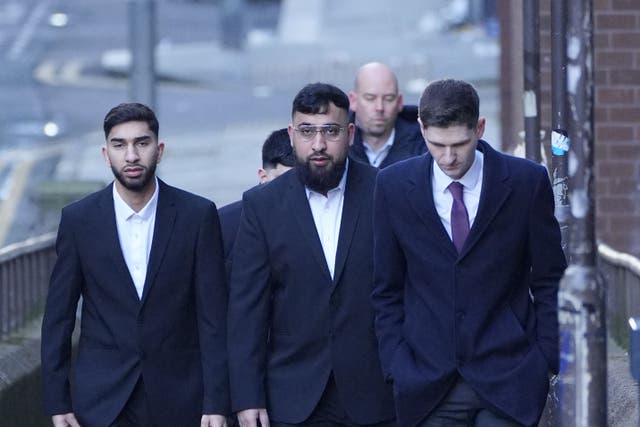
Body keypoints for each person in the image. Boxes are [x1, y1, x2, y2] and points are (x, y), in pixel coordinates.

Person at [371, 79, 566, 427]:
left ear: (480, 127)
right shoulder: (392, 186)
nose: (448, 157)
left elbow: (551, 278)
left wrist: (545, 358)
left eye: (460, 144)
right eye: (436, 144)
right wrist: (397, 365)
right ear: (421, 129)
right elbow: (386, 287)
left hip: (510, 379)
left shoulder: (526, 182)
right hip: (426, 383)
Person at [41, 103, 229, 427]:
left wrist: (217, 403)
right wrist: (58, 403)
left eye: (142, 143)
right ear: (105, 154)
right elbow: (58, 319)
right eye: (119, 145)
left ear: (159, 149)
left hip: (181, 400)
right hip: (103, 403)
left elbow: (213, 319)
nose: (131, 155)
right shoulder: (79, 220)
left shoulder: (197, 216)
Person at [228, 83, 395, 427]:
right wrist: (247, 397)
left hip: (377, 393)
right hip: (293, 396)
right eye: (307, 132)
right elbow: (247, 310)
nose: (318, 145)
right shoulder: (262, 205)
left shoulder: (386, 190)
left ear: (350, 134)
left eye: (330, 131)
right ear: (292, 135)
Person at [218, 128, 295, 262]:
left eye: (300, 181)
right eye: (281, 181)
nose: (290, 189)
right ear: (263, 176)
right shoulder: (224, 224)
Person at [348, 62, 425, 168]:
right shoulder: (335, 142)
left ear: (399, 102)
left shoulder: (425, 145)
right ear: (353, 101)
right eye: (370, 98)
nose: (380, 107)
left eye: (388, 99)